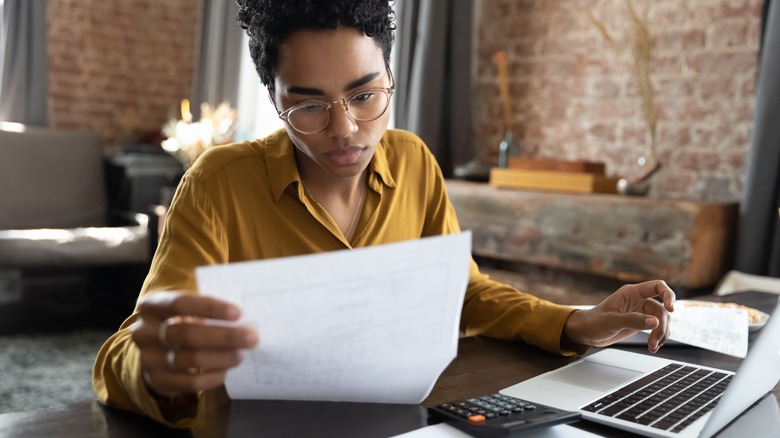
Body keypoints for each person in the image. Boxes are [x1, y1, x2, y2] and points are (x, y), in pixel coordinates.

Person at [93, 0, 675, 428]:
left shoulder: (415, 163)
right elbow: (127, 349)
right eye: (309, 105)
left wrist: (576, 322)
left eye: (366, 95)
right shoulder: (218, 185)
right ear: (274, 100)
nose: (345, 129)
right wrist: (154, 370)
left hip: (405, 420)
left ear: (391, 79)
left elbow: (464, 294)